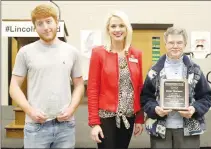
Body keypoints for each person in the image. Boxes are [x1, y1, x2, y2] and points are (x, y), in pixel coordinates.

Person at [9, 4, 84, 148]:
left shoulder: (72, 52)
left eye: (49, 21)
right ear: (35, 27)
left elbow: (79, 85)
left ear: (57, 23)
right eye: (40, 23)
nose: (45, 27)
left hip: (65, 127)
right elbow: (14, 87)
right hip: (36, 127)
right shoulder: (25, 52)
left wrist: (71, 109)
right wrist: (30, 111)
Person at [140, 27, 211, 149]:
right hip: (160, 130)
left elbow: (206, 97)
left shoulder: (195, 70)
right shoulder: (154, 71)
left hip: (189, 130)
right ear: (165, 44)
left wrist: (194, 109)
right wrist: (155, 109)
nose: (175, 46)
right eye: (171, 43)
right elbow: (145, 98)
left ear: (185, 44)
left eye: (179, 42)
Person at [87, 11, 144, 149]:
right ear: (108, 29)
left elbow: (139, 88)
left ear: (127, 29)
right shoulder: (98, 53)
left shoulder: (136, 54)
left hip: (128, 116)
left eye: (121, 26)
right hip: (106, 117)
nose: (117, 30)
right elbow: (93, 89)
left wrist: (140, 118)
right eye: (113, 26)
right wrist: (94, 123)